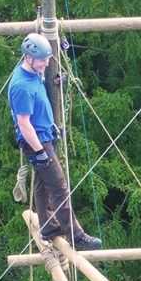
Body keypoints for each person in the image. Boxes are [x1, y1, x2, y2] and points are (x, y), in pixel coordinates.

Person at [9, 33, 102, 250]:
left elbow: (41, 86)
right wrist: (39, 151)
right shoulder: (21, 86)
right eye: (42, 60)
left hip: (44, 138)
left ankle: (49, 227)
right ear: (28, 57)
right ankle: (76, 235)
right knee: (59, 186)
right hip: (37, 142)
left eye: (47, 59)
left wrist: (54, 81)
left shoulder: (34, 72)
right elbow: (24, 123)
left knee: (42, 186)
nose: (47, 63)